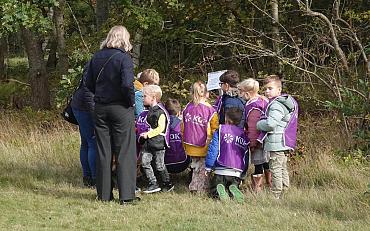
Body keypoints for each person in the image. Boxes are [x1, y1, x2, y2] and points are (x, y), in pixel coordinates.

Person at [85, 25, 137, 205]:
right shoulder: (124, 59)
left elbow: (88, 82)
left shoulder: (96, 57)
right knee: (125, 151)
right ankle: (127, 195)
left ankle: (104, 195)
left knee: (103, 151)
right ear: (125, 39)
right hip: (120, 107)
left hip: (100, 107)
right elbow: (127, 84)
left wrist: (100, 95)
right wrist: (130, 102)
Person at [256, 75, 298, 199]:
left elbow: (270, 124)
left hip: (277, 142)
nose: (267, 91)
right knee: (282, 168)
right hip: (282, 142)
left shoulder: (276, 105)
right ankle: (285, 191)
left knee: (275, 169)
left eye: (270, 88)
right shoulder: (281, 103)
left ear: (279, 90)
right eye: (265, 89)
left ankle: (276, 195)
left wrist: (258, 124)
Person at [205, 108, 249, 203]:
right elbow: (246, 154)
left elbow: (213, 149)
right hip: (237, 171)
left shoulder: (221, 130)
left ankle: (218, 192)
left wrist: (208, 166)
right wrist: (243, 171)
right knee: (232, 186)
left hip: (221, 168)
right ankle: (232, 189)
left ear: (226, 119)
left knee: (213, 189)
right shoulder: (244, 134)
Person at [182, 81, 219, 193]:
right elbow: (214, 128)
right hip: (203, 144)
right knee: (203, 168)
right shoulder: (210, 110)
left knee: (195, 167)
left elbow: (182, 126)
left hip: (189, 143)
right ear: (206, 94)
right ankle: (201, 188)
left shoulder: (187, 107)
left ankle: (194, 185)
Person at [138, 85, 174, 193]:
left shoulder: (161, 112)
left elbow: (161, 128)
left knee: (159, 165)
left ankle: (167, 183)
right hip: (148, 143)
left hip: (158, 143)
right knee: (144, 162)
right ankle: (153, 183)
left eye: (145, 96)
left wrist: (148, 134)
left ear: (153, 97)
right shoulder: (148, 110)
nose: (143, 98)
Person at [237, 78, 270, 192]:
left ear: (247, 93)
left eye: (241, 92)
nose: (240, 95)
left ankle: (258, 188)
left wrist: (252, 142)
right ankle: (270, 184)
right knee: (266, 161)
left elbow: (253, 127)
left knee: (258, 163)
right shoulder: (263, 100)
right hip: (266, 137)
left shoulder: (253, 106)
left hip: (258, 140)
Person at [71, 61, 96, 187]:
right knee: (92, 142)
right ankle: (93, 178)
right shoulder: (94, 65)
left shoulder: (92, 63)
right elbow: (88, 94)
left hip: (80, 106)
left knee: (86, 143)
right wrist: (94, 116)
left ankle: (88, 177)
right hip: (84, 108)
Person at [164, 98, 191, 174]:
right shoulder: (184, 125)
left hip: (164, 165)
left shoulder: (161, 125)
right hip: (183, 163)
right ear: (179, 113)